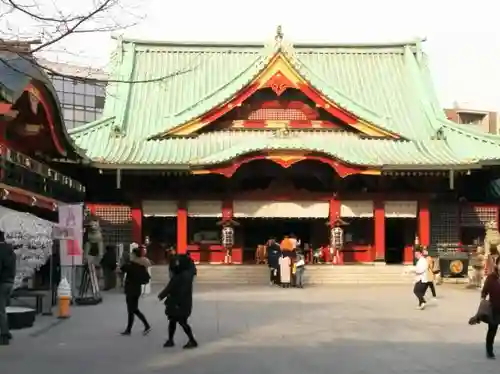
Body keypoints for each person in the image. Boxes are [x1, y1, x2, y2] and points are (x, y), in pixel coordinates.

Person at [158, 254, 198, 349]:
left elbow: (170, 287)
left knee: (181, 322)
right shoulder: (188, 273)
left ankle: (192, 340)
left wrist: (161, 296)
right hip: (184, 302)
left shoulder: (180, 277)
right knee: (173, 321)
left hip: (178, 303)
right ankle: (171, 340)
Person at [119, 248, 151, 336]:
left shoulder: (130, 265)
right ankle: (144, 326)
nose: (130, 255)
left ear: (134, 255)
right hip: (137, 289)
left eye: (131, 254)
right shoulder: (141, 266)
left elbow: (119, 269)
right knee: (134, 309)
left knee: (131, 310)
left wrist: (123, 260)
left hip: (130, 289)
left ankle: (131, 329)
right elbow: (147, 278)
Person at [481, 256, 500, 359]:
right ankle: (489, 350)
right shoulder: (491, 278)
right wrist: (483, 300)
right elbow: (484, 291)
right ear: (497, 265)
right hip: (494, 308)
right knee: (492, 330)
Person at [0, 231, 16, 345]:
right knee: (4, 307)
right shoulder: (11, 251)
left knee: (1, 310)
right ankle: (7, 332)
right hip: (10, 282)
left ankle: (4, 334)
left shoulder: (1, 250)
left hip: (2, 282)